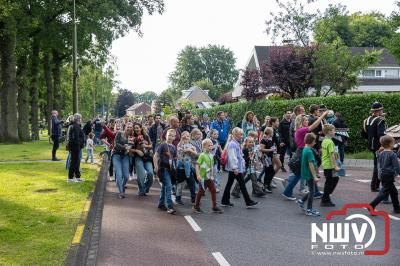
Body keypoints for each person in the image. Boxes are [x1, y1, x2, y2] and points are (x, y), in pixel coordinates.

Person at [281, 111, 327, 200]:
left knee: (305, 173)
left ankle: (315, 192)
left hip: (302, 152)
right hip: (302, 153)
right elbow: (313, 126)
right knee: (299, 175)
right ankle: (287, 192)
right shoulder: (301, 130)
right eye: (305, 120)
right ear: (301, 122)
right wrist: (322, 116)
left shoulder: (300, 130)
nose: (307, 122)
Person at [221, 127, 259, 208]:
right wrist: (235, 168)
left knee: (230, 184)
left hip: (235, 168)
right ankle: (248, 201)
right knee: (241, 184)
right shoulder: (233, 144)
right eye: (240, 134)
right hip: (235, 168)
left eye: (242, 134)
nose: (242, 136)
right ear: (235, 134)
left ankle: (225, 200)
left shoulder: (236, 143)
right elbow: (232, 157)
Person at [369, 135, 400, 213]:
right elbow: (396, 166)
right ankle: (372, 205)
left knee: (394, 192)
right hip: (389, 175)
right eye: (393, 143)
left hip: (383, 174)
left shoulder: (381, 153)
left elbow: (380, 164)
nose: (394, 144)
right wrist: (398, 174)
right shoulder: (393, 154)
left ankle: (397, 208)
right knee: (384, 193)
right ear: (390, 144)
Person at [193, 139, 223, 214]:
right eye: (208, 145)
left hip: (209, 177)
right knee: (201, 191)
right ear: (204, 147)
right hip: (203, 177)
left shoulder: (211, 155)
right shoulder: (202, 155)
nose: (210, 147)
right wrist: (198, 175)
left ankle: (214, 206)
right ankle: (196, 207)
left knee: (213, 190)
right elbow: (197, 165)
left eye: (211, 145)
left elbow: (212, 166)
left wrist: (212, 175)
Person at [362, 102, 387, 192]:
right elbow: (381, 135)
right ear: (378, 111)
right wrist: (384, 146)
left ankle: (375, 185)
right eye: (381, 110)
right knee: (378, 166)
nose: (382, 111)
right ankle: (374, 186)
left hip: (371, 145)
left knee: (377, 165)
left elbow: (364, 134)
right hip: (379, 146)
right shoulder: (380, 120)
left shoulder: (366, 120)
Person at [296, 133, 321, 217]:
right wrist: (314, 176)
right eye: (314, 141)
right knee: (312, 192)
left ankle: (301, 201)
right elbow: (311, 164)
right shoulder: (309, 151)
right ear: (312, 141)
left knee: (311, 190)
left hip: (306, 173)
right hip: (309, 174)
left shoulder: (305, 149)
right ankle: (309, 209)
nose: (315, 142)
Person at [154, 129, 177, 214]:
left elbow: (174, 158)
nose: (170, 137)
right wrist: (156, 166)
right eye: (169, 135)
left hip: (170, 170)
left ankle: (161, 203)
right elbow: (155, 156)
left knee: (165, 186)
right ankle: (170, 206)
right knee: (168, 186)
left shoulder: (174, 147)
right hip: (163, 168)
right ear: (166, 135)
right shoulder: (162, 145)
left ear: (174, 137)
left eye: (172, 136)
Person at [130, 123, 154, 196]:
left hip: (147, 157)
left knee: (150, 174)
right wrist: (137, 151)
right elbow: (129, 149)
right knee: (142, 175)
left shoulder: (146, 136)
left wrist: (146, 146)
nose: (136, 129)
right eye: (135, 128)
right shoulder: (132, 137)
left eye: (137, 128)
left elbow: (151, 146)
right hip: (137, 158)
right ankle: (141, 189)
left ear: (141, 128)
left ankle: (146, 187)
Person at [320, 124, 341, 207]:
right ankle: (325, 199)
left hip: (326, 164)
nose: (334, 132)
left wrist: (336, 154)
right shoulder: (330, 142)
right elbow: (331, 155)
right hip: (329, 165)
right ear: (329, 132)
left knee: (333, 179)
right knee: (330, 182)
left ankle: (326, 196)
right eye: (333, 130)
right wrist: (335, 166)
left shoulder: (325, 140)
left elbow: (327, 152)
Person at [176, 131, 198, 204]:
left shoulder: (191, 145)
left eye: (188, 136)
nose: (186, 138)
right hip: (181, 169)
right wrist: (182, 141)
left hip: (189, 167)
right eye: (184, 136)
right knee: (180, 185)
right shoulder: (180, 145)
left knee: (192, 184)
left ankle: (193, 199)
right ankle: (178, 198)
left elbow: (196, 154)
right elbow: (180, 150)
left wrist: (191, 150)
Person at [113, 122, 133, 198]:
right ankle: (121, 192)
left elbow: (132, 146)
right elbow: (116, 143)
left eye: (131, 127)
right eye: (128, 126)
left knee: (126, 176)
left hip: (125, 156)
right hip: (116, 155)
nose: (129, 128)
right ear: (125, 127)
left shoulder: (132, 137)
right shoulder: (119, 133)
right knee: (119, 174)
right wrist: (124, 147)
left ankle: (122, 185)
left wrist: (130, 148)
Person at [66, 113, 85, 182]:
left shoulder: (73, 126)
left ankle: (77, 176)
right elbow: (75, 138)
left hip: (74, 147)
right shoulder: (75, 126)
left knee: (76, 162)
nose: (81, 120)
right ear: (78, 119)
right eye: (80, 118)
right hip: (75, 147)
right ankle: (70, 178)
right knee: (74, 162)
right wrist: (80, 144)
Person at [259, 127, 275, 193]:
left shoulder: (269, 139)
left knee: (269, 172)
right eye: (272, 132)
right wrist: (270, 150)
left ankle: (267, 185)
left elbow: (270, 147)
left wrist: (273, 149)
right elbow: (261, 149)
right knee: (269, 171)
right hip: (265, 158)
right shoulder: (263, 140)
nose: (273, 133)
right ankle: (265, 186)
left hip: (269, 157)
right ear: (269, 132)